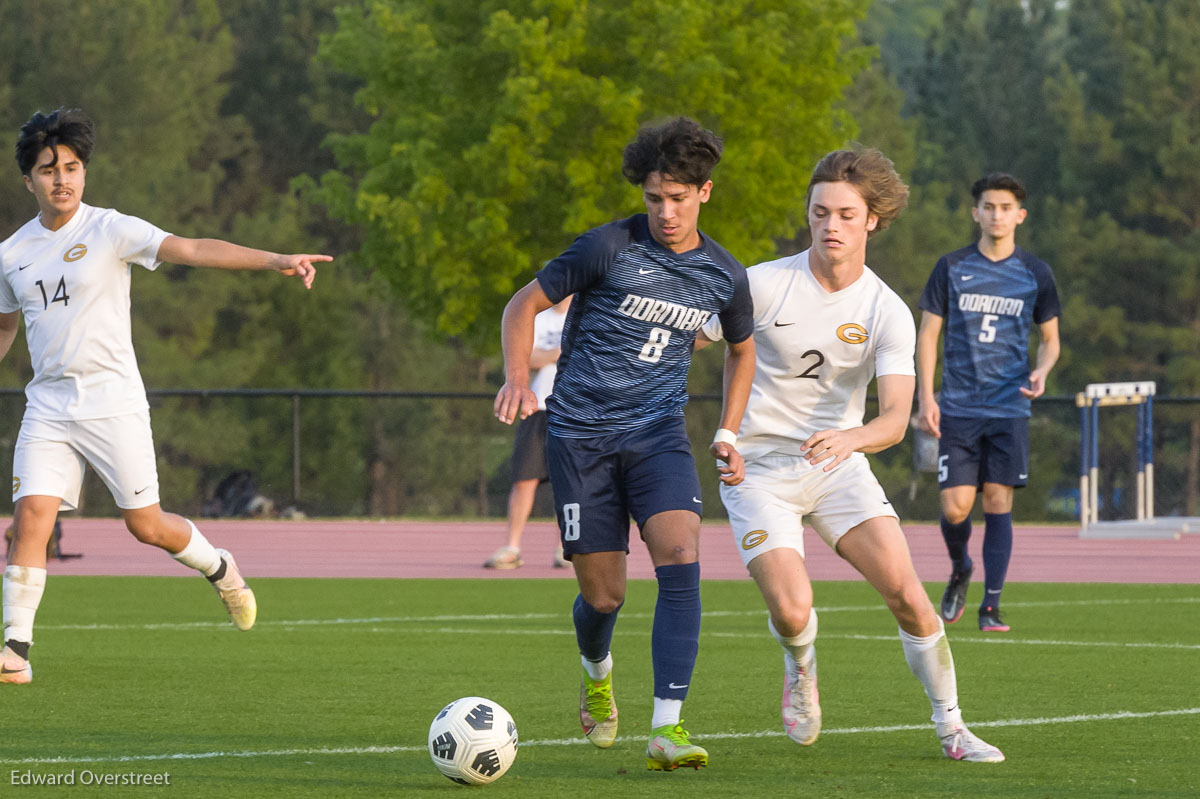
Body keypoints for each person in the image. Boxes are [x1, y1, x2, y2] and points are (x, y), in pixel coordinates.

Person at [0, 108, 330, 685]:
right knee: (31, 517)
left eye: (72, 167)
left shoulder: (109, 229)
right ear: (27, 180)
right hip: (49, 407)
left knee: (146, 526)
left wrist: (275, 258)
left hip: (114, 402)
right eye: (49, 169)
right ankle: (15, 651)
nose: (63, 179)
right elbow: (4, 329)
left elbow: (195, 249)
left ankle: (220, 566)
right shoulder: (10, 255)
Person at [697, 147, 1004, 762]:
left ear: (873, 220)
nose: (830, 225)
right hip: (758, 472)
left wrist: (849, 438)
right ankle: (801, 666)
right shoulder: (762, 284)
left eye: (844, 214)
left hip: (839, 469)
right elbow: (693, 336)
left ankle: (952, 727)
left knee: (910, 598)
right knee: (792, 608)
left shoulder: (885, 310)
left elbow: (894, 419)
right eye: (819, 213)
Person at [493, 117, 755, 771]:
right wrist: (518, 377)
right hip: (578, 437)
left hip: (657, 431)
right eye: (654, 198)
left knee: (680, 549)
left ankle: (668, 726)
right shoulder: (607, 247)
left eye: (678, 197)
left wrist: (727, 429)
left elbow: (742, 351)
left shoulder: (723, 274)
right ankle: (596, 667)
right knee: (605, 595)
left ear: (706, 193)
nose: (665, 211)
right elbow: (522, 304)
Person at [916, 172, 1060, 633]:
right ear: (975, 212)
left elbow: (1051, 341)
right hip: (957, 405)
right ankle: (960, 566)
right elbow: (928, 335)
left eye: (1005, 208)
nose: (996, 215)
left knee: (999, 502)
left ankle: (991, 607)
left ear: (1020, 215)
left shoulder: (1035, 273)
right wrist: (925, 396)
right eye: (988, 206)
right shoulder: (951, 267)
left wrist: (1042, 370)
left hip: (1009, 408)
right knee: (956, 508)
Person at [485, 296, 573, 570]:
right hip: (537, 409)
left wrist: (543, 356)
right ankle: (512, 547)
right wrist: (557, 353)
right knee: (524, 479)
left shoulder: (584, 314)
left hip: (573, 410)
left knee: (570, 481)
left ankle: (566, 548)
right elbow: (520, 358)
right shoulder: (536, 317)